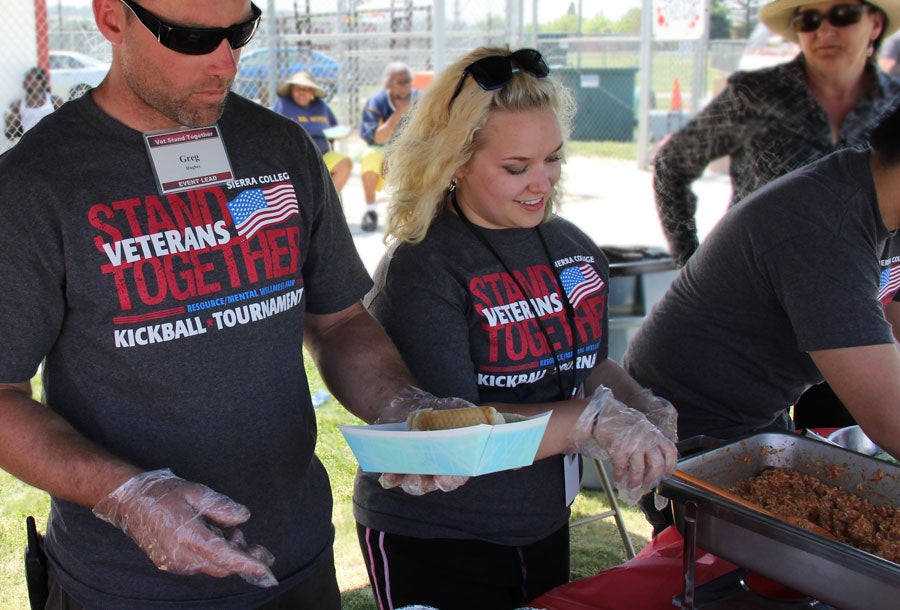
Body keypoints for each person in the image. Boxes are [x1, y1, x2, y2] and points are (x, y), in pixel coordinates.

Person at [0, 1, 472, 608]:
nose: (226, 61)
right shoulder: (35, 184)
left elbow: (340, 320)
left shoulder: (280, 149)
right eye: (192, 37)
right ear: (112, 18)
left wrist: (400, 403)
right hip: (126, 582)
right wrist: (127, 494)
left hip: (296, 558)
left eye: (239, 31)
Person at [353, 46, 679, 610]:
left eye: (552, 159)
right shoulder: (424, 269)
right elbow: (449, 425)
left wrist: (642, 408)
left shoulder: (574, 250)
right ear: (453, 161)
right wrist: (589, 423)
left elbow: (592, 364)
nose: (541, 183)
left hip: (542, 519)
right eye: (516, 167)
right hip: (439, 535)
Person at [625, 102, 900, 533]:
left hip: (758, 411)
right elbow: (891, 419)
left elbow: (891, 319)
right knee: (730, 580)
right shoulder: (824, 227)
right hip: (685, 425)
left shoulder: (881, 202)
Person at [655, 0, 900, 267]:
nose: (824, 31)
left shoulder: (894, 104)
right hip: (754, 292)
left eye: (843, 15)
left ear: (875, 24)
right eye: (809, 20)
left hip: (859, 290)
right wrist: (691, 262)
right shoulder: (752, 96)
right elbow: (672, 164)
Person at [358, 61, 422, 232]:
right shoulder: (377, 102)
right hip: (383, 147)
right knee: (369, 157)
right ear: (388, 84)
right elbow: (377, 138)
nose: (405, 86)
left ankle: (415, 213)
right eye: (399, 83)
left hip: (412, 148)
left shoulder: (422, 99)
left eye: (407, 81)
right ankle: (371, 211)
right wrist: (400, 112)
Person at [272, 71, 353, 196]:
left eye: (307, 89)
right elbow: (276, 133)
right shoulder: (284, 105)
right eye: (298, 88)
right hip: (296, 160)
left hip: (322, 156)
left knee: (344, 163)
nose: (302, 92)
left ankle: (328, 203)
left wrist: (341, 132)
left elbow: (334, 128)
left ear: (312, 92)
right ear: (291, 90)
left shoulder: (321, 106)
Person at [3, 66, 64, 142]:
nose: (28, 82)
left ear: (42, 81)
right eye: (27, 79)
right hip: (28, 144)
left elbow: (64, 124)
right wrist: (10, 125)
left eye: (31, 79)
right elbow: (11, 136)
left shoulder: (54, 101)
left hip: (51, 141)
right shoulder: (18, 105)